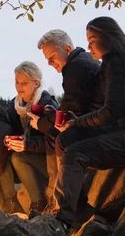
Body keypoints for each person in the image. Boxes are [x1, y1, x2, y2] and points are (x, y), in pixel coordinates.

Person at [52, 17, 125, 227]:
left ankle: (64, 220)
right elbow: (106, 105)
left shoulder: (121, 62)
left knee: (74, 153)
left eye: (92, 40)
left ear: (108, 38)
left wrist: (76, 122)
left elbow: (110, 112)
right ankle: (80, 209)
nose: (88, 46)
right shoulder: (114, 60)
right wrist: (76, 121)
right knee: (65, 140)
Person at [34, 29, 104, 212]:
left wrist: (40, 123)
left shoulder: (75, 68)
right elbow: (75, 104)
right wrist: (54, 113)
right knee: (55, 133)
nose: (49, 63)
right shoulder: (82, 61)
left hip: (100, 125)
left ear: (67, 48)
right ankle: (60, 198)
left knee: (55, 136)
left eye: (52, 56)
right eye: (47, 59)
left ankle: (63, 202)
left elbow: (72, 109)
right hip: (96, 119)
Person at [2, 61, 58, 213]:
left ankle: (38, 203)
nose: (19, 87)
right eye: (17, 82)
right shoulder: (14, 107)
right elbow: (17, 133)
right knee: (6, 158)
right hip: (34, 156)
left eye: (25, 83)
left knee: (18, 158)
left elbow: (56, 141)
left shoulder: (47, 105)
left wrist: (27, 145)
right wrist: (10, 140)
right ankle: (10, 203)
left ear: (36, 83)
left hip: (52, 160)